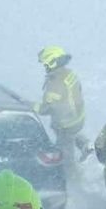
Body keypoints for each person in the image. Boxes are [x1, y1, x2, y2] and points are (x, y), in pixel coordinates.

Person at [35, 45, 88, 179]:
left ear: (52, 62)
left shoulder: (54, 84)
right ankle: (85, 144)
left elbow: (45, 109)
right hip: (78, 116)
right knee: (73, 134)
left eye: (45, 64)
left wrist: (30, 106)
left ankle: (71, 177)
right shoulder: (69, 74)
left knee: (65, 152)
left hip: (65, 124)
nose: (44, 67)